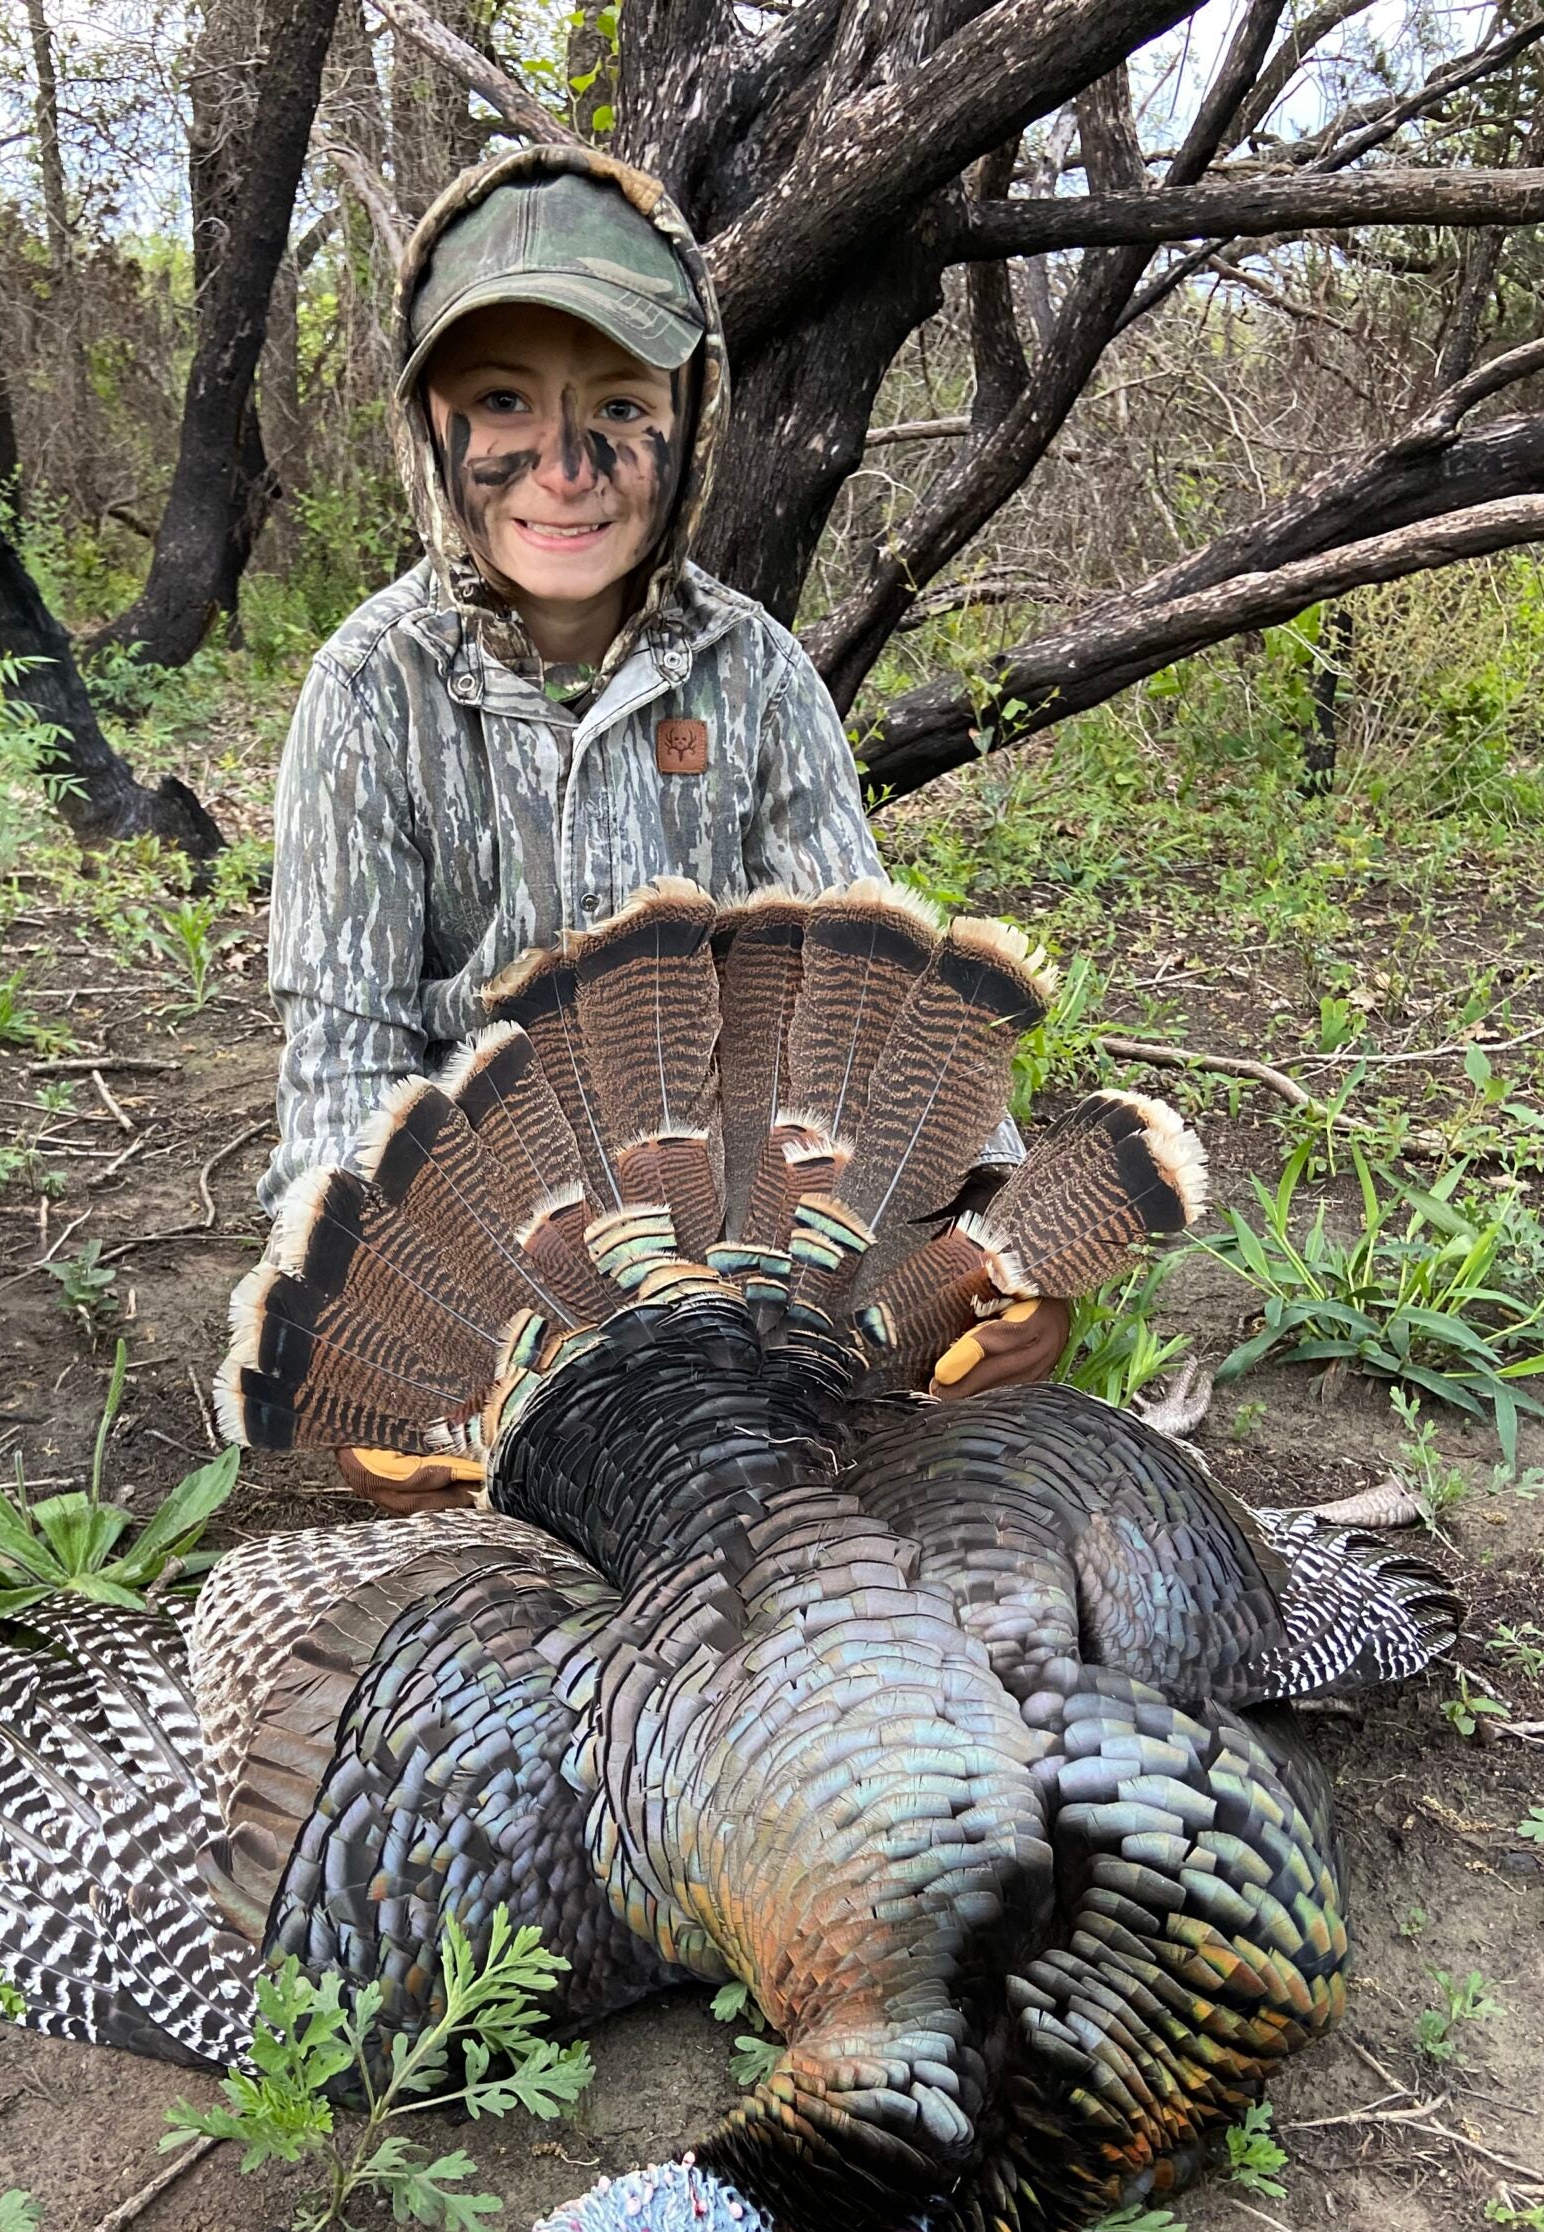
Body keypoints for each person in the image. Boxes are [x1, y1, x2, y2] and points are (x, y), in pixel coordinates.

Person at [263, 145, 1069, 1507]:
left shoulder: (754, 677)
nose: (564, 467)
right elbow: (344, 1068)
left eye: (620, 407)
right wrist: (373, 1345)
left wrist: (999, 1235)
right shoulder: (367, 692)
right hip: (484, 1288)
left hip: (744, 1257)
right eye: (504, 401)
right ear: (428, 424)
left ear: (689, 423)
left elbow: (869, 1025)